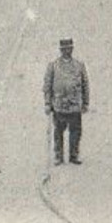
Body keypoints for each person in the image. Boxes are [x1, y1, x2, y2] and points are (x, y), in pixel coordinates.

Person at [43, 37, 89, 166]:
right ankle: (58, 156)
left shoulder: (79, 65)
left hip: (74, 106)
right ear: (60, 50)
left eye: (69, 48)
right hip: (59, 106)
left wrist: (85, 103)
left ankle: (74, 155)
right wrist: (47, 103)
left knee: (75, 132)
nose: (67, 51)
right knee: (58, 132)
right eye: (64, 49)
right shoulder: (53, 66)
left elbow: (85, 84)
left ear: (72, 49)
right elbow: (47, 86)